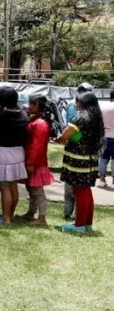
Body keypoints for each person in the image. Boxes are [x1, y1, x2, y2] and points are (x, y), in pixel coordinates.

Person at [57, 92, 105, 233]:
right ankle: (87, 223)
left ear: (83, 103)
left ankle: (79, 225)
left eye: (78, 101)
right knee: (86, 190)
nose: (76, 103)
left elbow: (66, 134)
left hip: (79, 159)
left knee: (79, 190)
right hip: (90, 158)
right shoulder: (96, 117)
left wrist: (60, 138)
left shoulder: (81, 117)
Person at [0, 87, 28, 226]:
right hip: (17, 153)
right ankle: (10, 215)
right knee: (13, 186)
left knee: (4, 187)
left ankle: (5, 219)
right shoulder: (23, 115)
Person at [22, 94, 55, 226]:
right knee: (30, 188)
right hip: (31, 159)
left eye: (33, 104)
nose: (30, 106)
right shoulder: (35, 120)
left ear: (39, 106)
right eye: (30, 103)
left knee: (37, 190)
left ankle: (42, 217)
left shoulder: (40, 124)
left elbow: (37, 145)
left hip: (36, 162)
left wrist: (31, 163)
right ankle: (31, 213)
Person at [97, 91, 114, 187]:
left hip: (104, 136)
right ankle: (113, 182)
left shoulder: (102, 106)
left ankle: (102, 180)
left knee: (103, 158)